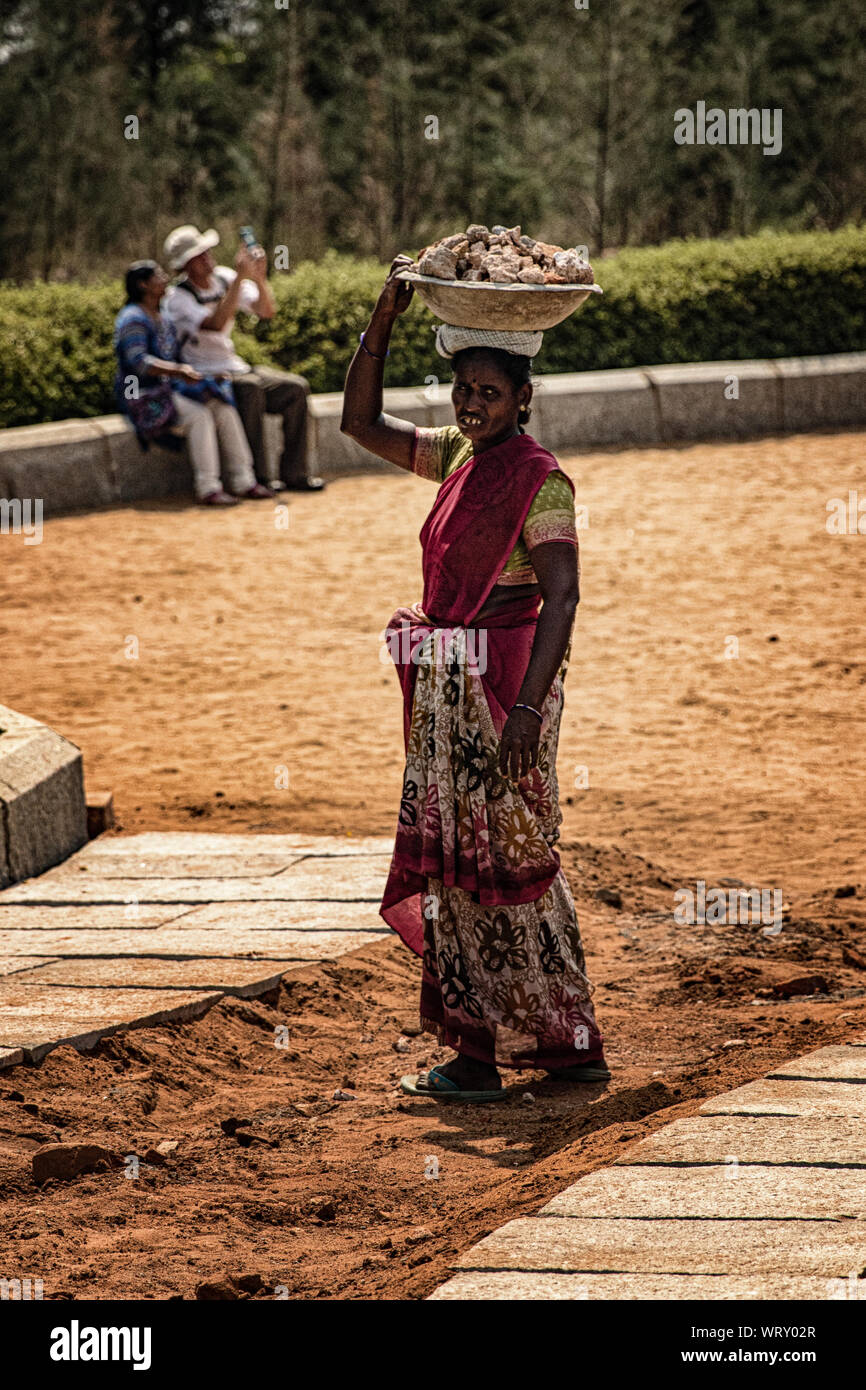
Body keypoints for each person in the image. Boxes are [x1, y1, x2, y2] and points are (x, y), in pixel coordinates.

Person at [340, 256, 610, 1100]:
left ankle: (569, 1042)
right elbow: (358, 421)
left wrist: (527, 707)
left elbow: (562, 598)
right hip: (450, 689)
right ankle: (476, 1052)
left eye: (489, 393)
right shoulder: (457, 453)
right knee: (455, 864)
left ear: (523, 397)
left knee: (516, 859)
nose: (472, 405)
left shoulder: (542, 480)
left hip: (505, 694)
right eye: (462, 390)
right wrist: (384, 314)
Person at [161, 225, 324, 492]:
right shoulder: (177, 298)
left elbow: (266, 311)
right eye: (199, 255)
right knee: (250, 390)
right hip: (207, 374)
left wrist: (258, 278)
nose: (207, 258)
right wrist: (239, 278)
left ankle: (295, 473)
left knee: (296, 389)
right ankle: (258, 478)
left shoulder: (224, 278)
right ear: (185, 266)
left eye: (207, 252)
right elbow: (214, 323)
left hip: (236, 365)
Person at [113, 261, 274, 506]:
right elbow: (139, 363)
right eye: (158, 275)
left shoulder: (162, 316)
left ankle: (245, 480)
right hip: (144, 395)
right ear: (143, 285)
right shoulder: (133, 318)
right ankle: (208, 486)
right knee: (199, 415)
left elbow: (177, 355)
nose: (165, 278)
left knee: (222, 406)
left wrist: (207, 375)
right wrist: (179, 372)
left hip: (169, 389)